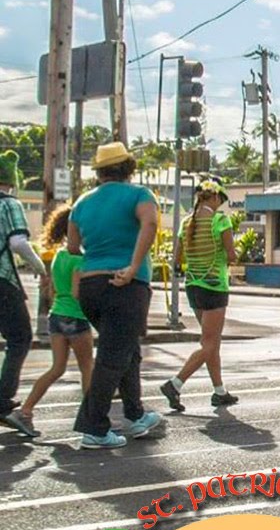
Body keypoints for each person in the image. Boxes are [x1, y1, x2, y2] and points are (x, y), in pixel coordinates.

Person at [65, 142, 162, 448]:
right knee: (112, 356)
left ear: (100, 171)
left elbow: (71, 246)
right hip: (125, 285)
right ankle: (93, 427)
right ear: (128, 168)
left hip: (91, 286)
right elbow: (151, 222)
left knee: (127, 349)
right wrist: (132, 265)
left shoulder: (81, 203)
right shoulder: (139, 195)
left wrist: (98, 257)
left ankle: (134, 414)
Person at [160, 177, 240, 412]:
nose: (221, 204)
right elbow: (232, 254)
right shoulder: (220, 221)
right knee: (209, 344)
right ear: (214, 197)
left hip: (193, 286)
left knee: (211, 343)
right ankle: (175, 383)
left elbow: (177, 259)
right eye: (221, 199)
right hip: (214, 287)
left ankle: (219, 391)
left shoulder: (186, 223)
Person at [10, 205, 90, 439]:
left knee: (57, 368)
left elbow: (53, 290)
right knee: (88, 368)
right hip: (76, 316)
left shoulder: (58, 256)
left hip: (57, 315)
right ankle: (92, 416)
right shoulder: (80, 259)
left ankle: (25, 410)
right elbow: (78, 293)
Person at [0, 148, 50, 437]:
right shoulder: (10, 205)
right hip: (3, 280)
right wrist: (41, 269)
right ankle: (3, 400)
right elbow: (18, 243)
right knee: (20, 338)